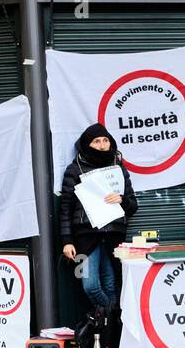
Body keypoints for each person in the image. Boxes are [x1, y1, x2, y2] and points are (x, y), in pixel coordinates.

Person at [58, 124, 138, 313]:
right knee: (90, 285)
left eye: (105, 140)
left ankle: (109, 336)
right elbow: (65, 208)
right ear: (87, 145)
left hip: (113, 237)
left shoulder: (118, 168)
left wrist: (122, 199)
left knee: (111, 286)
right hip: (85, 238)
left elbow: (133, 206)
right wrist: (67, 241)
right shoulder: (75, 169)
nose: (102, 146)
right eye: (96, 142)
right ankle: (115, 316)